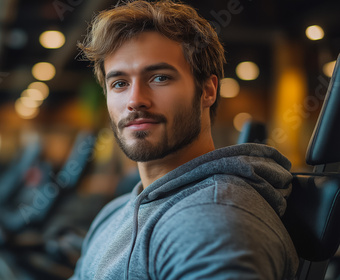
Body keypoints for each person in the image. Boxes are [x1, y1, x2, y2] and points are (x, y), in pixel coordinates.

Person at [70, 1, 299, 279]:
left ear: (207, 90)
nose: (135, 100)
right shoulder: (114, 213)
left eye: (159, 77)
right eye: (119, 83)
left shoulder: (211, 221)